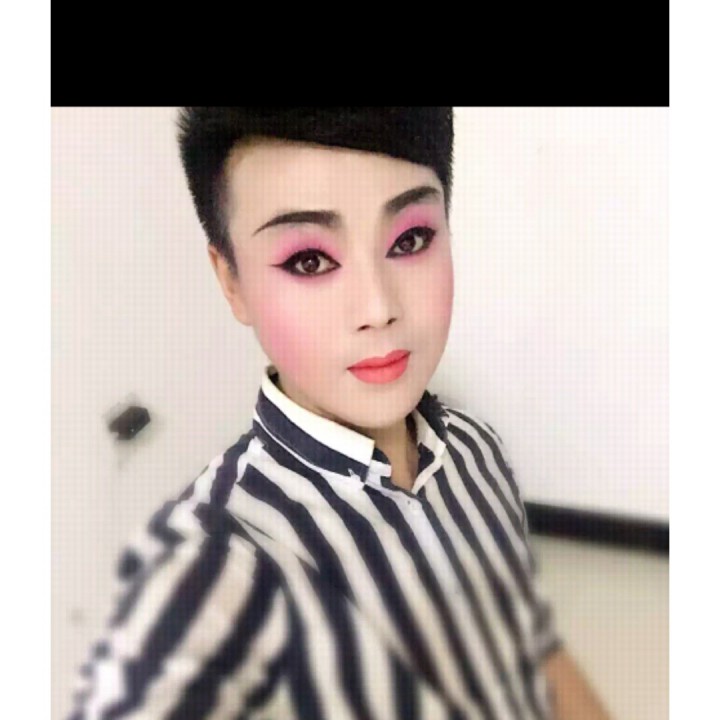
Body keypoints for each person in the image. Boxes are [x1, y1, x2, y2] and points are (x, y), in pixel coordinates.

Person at [65, 107, 612, 719]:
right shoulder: (214, 558)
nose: (378, 307)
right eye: (309, 260)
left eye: (410, 240)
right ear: (232, 281)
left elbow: (533, 645)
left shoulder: (476, 448)